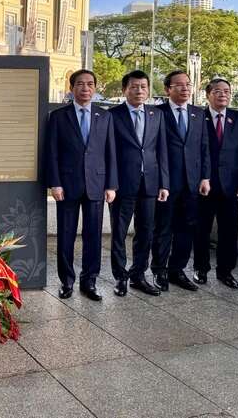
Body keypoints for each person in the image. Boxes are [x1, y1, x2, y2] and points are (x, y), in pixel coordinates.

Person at [46, 69, 118, 302]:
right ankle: (67, 281)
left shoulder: (104, 116)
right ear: (72, 88)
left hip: (97, 184)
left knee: (93, 235)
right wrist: (54, 183)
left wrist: (111, 185)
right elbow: (52, 153)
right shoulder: (58, 116)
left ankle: (90, 281)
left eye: (89, 84)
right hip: (66, 185)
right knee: (66, 235)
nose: (85, 88)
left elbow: (110, 153)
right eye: (80, 84)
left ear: (95, 88)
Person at [109, 70, 169, 297]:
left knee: (146, 231)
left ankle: (138, 275)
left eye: (143, 86)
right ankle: (120, 277)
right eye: (134, 86)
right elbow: (109, 153)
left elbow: (161, 150)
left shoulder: (156, 115)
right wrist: (111, 184)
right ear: (124, 90)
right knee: (119, 232)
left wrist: (164, 183)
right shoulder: (113, 115)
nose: (139, 91)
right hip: (122, 184)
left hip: (150, 183)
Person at [153, 70, 210, 292]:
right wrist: (161, 182)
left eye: (188, 84)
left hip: (193, 183)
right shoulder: (157, 113)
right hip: (166, 183)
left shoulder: (198, 114)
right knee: (163, 229)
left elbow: (204, 148)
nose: (185, 88)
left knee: (187, 229)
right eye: (179, 85)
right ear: (168, 89)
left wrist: (205, 177)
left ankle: (177, 270)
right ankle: (159, 270)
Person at [193, 78, 238, 289]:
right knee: (201, 229)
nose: (223, 94)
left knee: (229, 230)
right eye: (217, 91)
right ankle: (200, 268)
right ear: (208, 94)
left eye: (226, 91)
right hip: (204, 184)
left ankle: (225, 271)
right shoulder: (198, 116)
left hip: (232, 185)